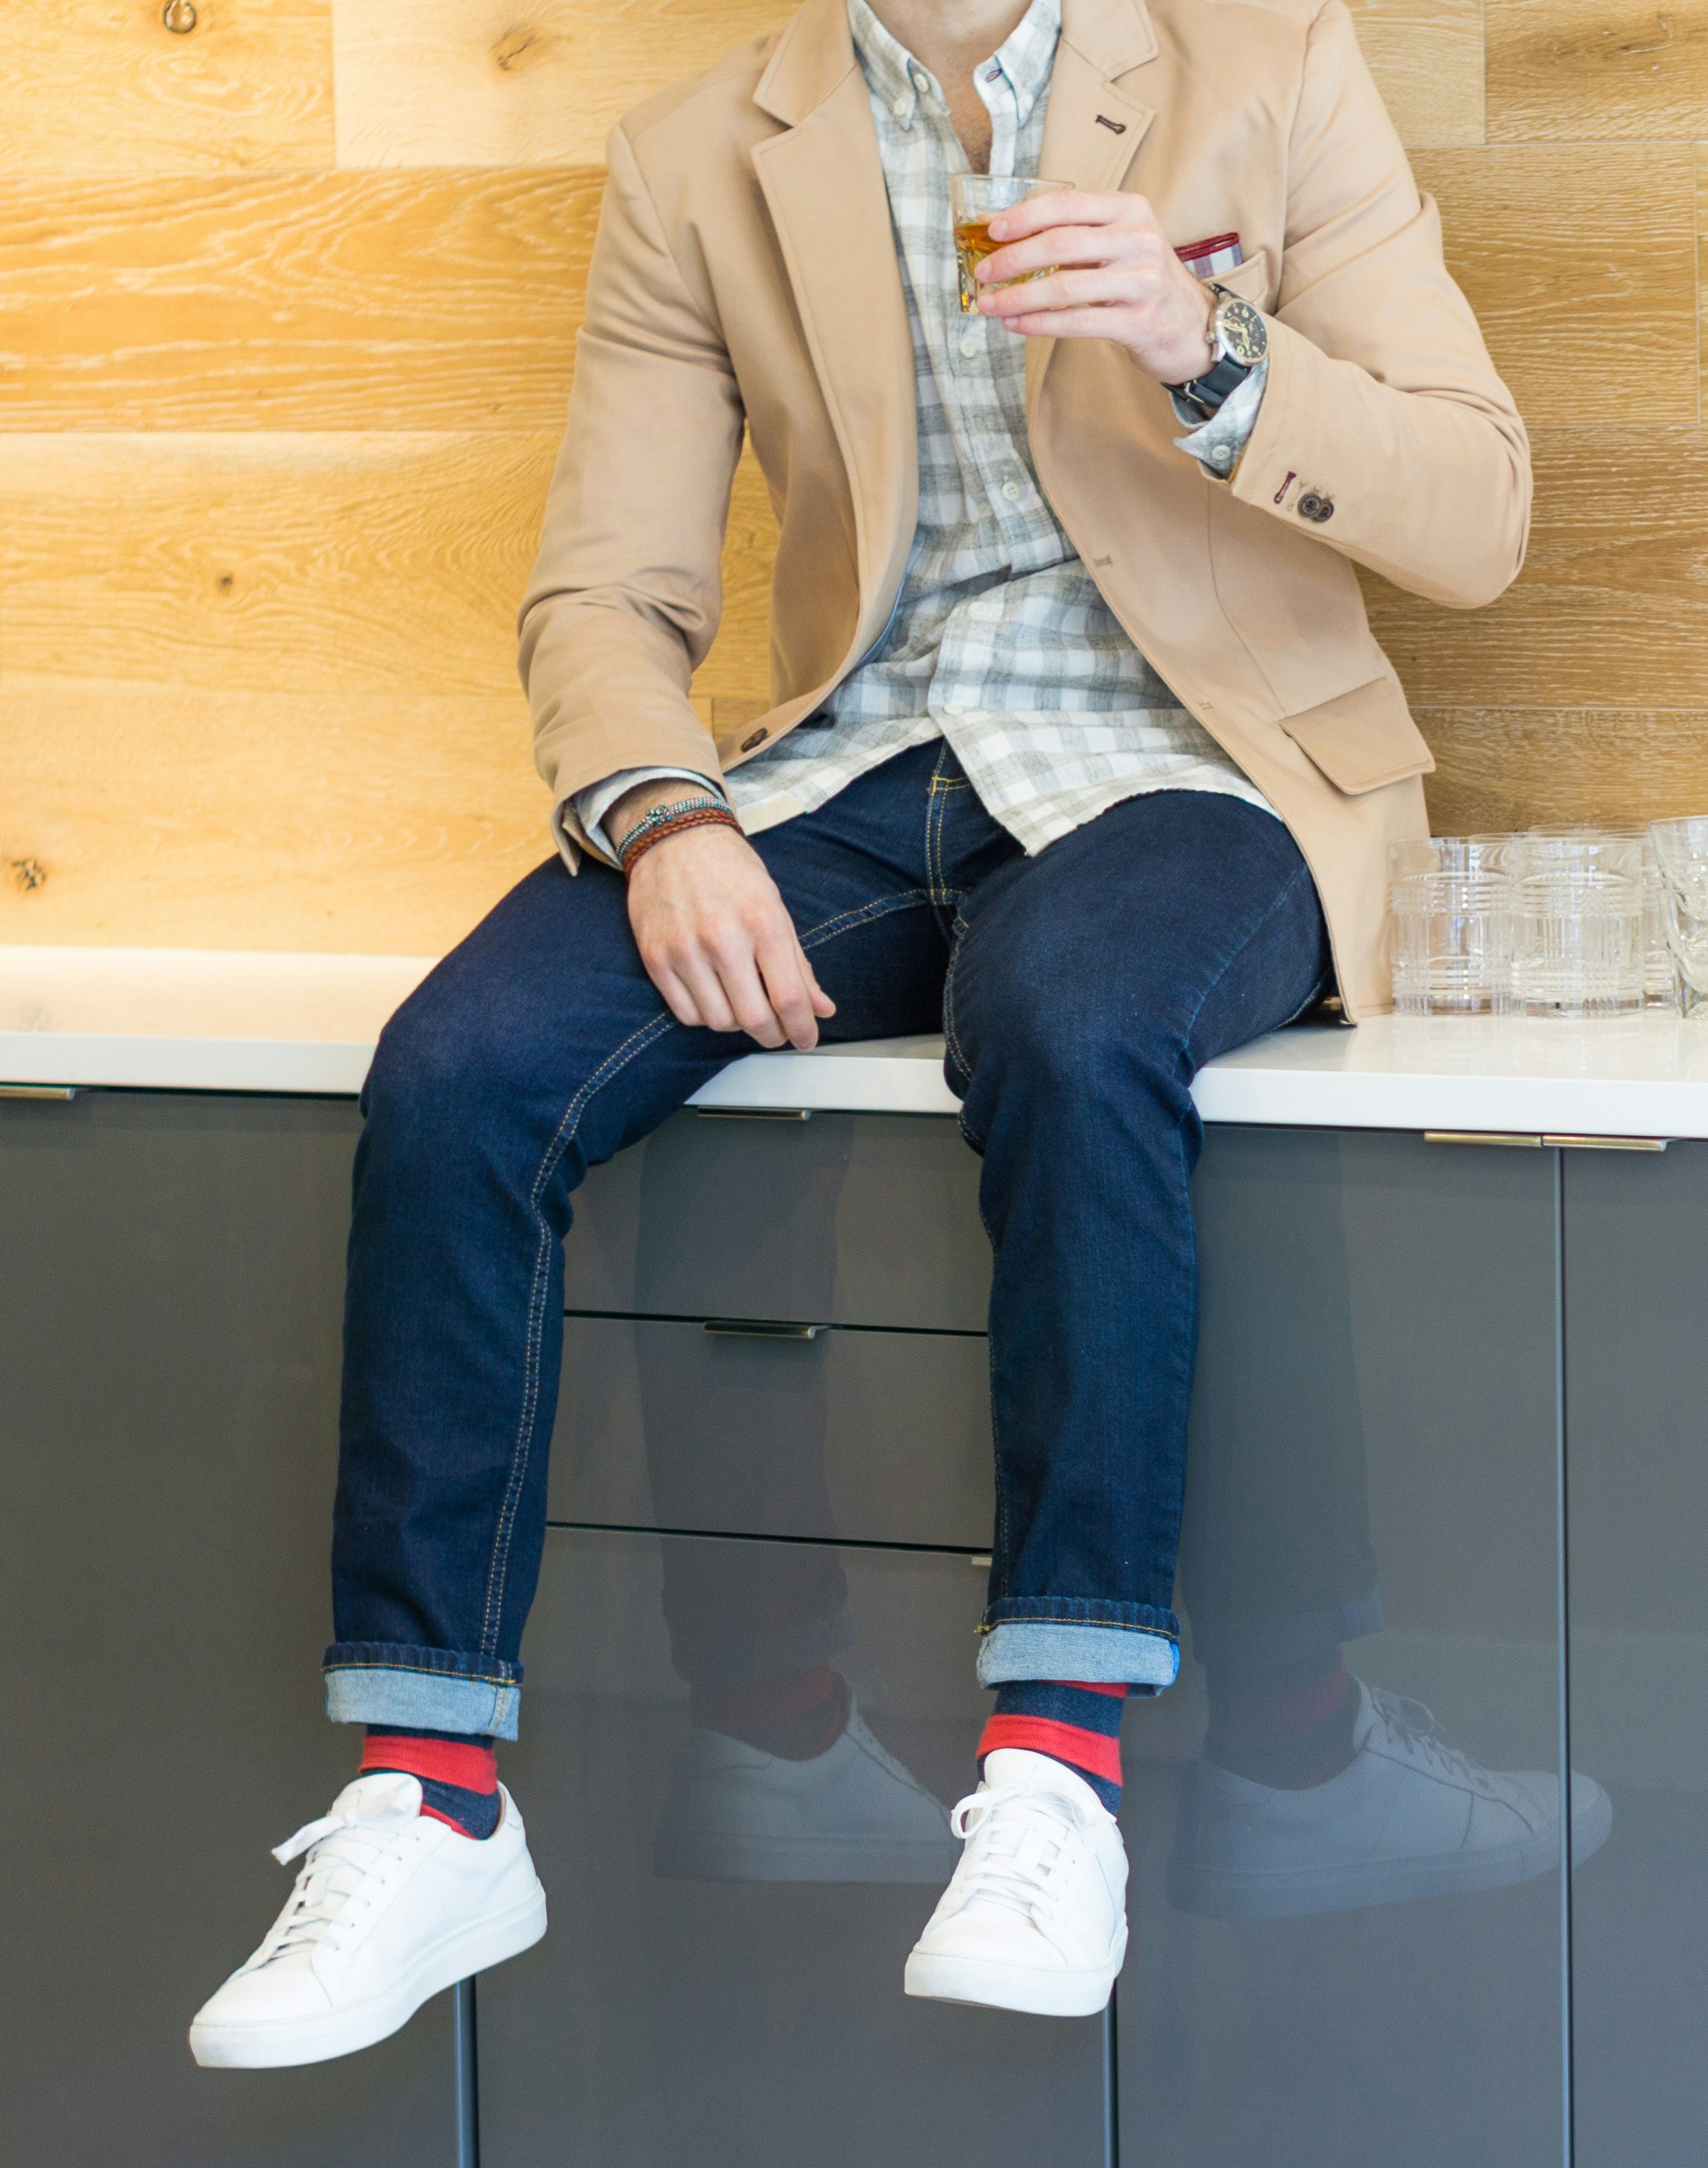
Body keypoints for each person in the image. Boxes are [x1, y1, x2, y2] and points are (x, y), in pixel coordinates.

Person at [186, 0, 1527, 2069]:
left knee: (1074, 1021)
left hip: (1204, 770)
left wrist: (1214, 356)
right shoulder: (700, 151)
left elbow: (1481, 511)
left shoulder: (1264, 63)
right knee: (457, 1065)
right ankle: (432, 1798)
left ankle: (1057, 1773)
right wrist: (666, 815)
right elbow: (602, 599)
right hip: (855, 776)